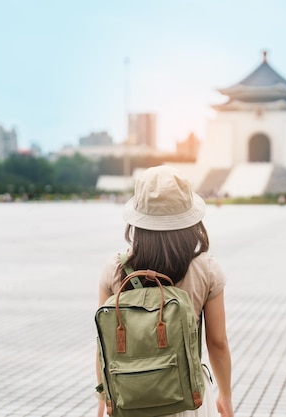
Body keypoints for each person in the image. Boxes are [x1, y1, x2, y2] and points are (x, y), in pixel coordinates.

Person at [96, 165, 234, 417]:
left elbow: (103, 345)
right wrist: (225, 396)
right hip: (189, 399)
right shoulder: (206, 268)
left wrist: (103, 398)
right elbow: (217, 342)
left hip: (129, 399)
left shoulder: (115, 268)